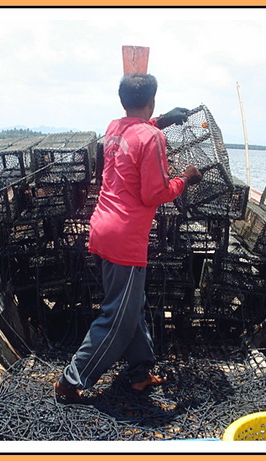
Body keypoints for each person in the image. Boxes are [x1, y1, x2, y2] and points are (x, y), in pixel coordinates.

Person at [55, 73, 202, 399]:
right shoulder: (152, 138)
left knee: (130, 308)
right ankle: (70, 381)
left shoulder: (113, 129)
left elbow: (137, 132)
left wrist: (161, 121)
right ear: (152, 99)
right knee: (117, 319)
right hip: (125, 239)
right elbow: (155, 193)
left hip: (103, 228)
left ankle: (139, 373)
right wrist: (186, 179)